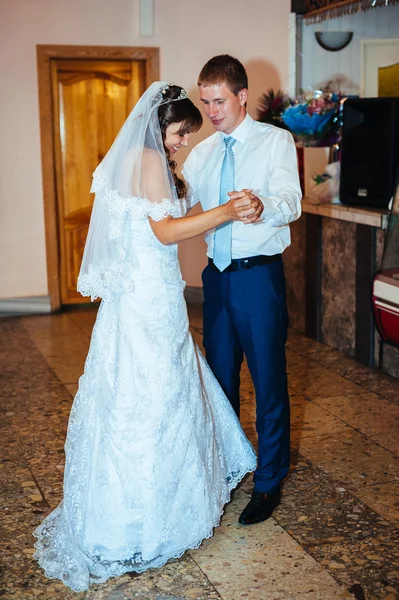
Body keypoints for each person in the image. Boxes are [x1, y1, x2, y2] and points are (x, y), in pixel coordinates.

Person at [33, 81, 259, 592]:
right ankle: (147, 522)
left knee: (136, 398)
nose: (180, 141)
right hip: (149, 302)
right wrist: (225, 212)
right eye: (179, 131)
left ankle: (128, 514)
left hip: (142, 298)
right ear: (160, 125)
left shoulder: (139, 162)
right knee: (153, 400)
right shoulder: (151, 162)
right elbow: (163, 233)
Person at [182, 55, 302, 526]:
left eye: (218, 101)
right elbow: (178, 201)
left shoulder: (275, 141)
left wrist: (261, 204)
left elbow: (291, 202)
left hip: (259, 277)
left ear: (242, 95)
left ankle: (268, 482)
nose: (211, 111)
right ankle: (231, 469)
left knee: (269, 381)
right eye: (204, 101)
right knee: (221, 378)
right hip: (216, 279)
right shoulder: (202, 154)